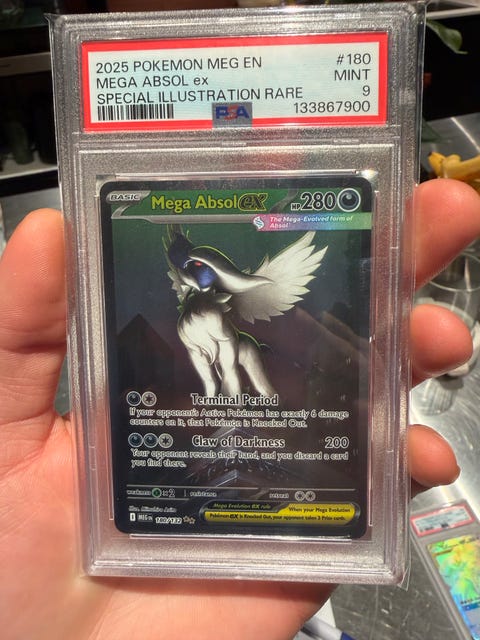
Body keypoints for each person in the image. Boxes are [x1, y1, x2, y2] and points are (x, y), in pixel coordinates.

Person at [0, 177, 479, 639]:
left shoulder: (217, 303)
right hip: (130, 557)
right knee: (216, 382)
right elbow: (199, 348)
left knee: (253, 383)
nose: (189, 278)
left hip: (240, 360)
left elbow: (229, 345)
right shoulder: (187, 306)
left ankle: (254, 417)